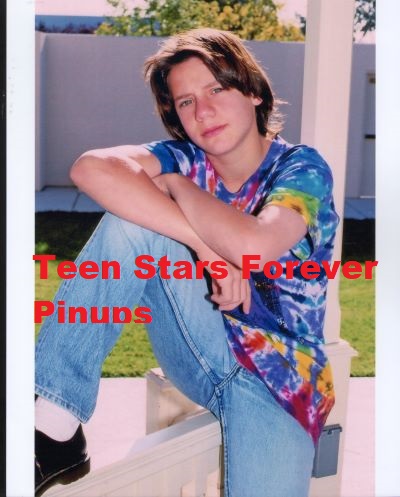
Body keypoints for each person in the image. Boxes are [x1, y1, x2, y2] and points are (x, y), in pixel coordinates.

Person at [35, 28, 339, 497]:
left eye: (217, 89)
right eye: (186, 101)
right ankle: (53, 424)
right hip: (201, 347)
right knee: (132, 221)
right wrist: (206, 249)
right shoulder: (184, 157)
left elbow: (255, 249)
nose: (203, 111)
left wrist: (177, 186)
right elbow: (90, 168)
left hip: (282, 384)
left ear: (254, 92)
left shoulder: (301, 169)